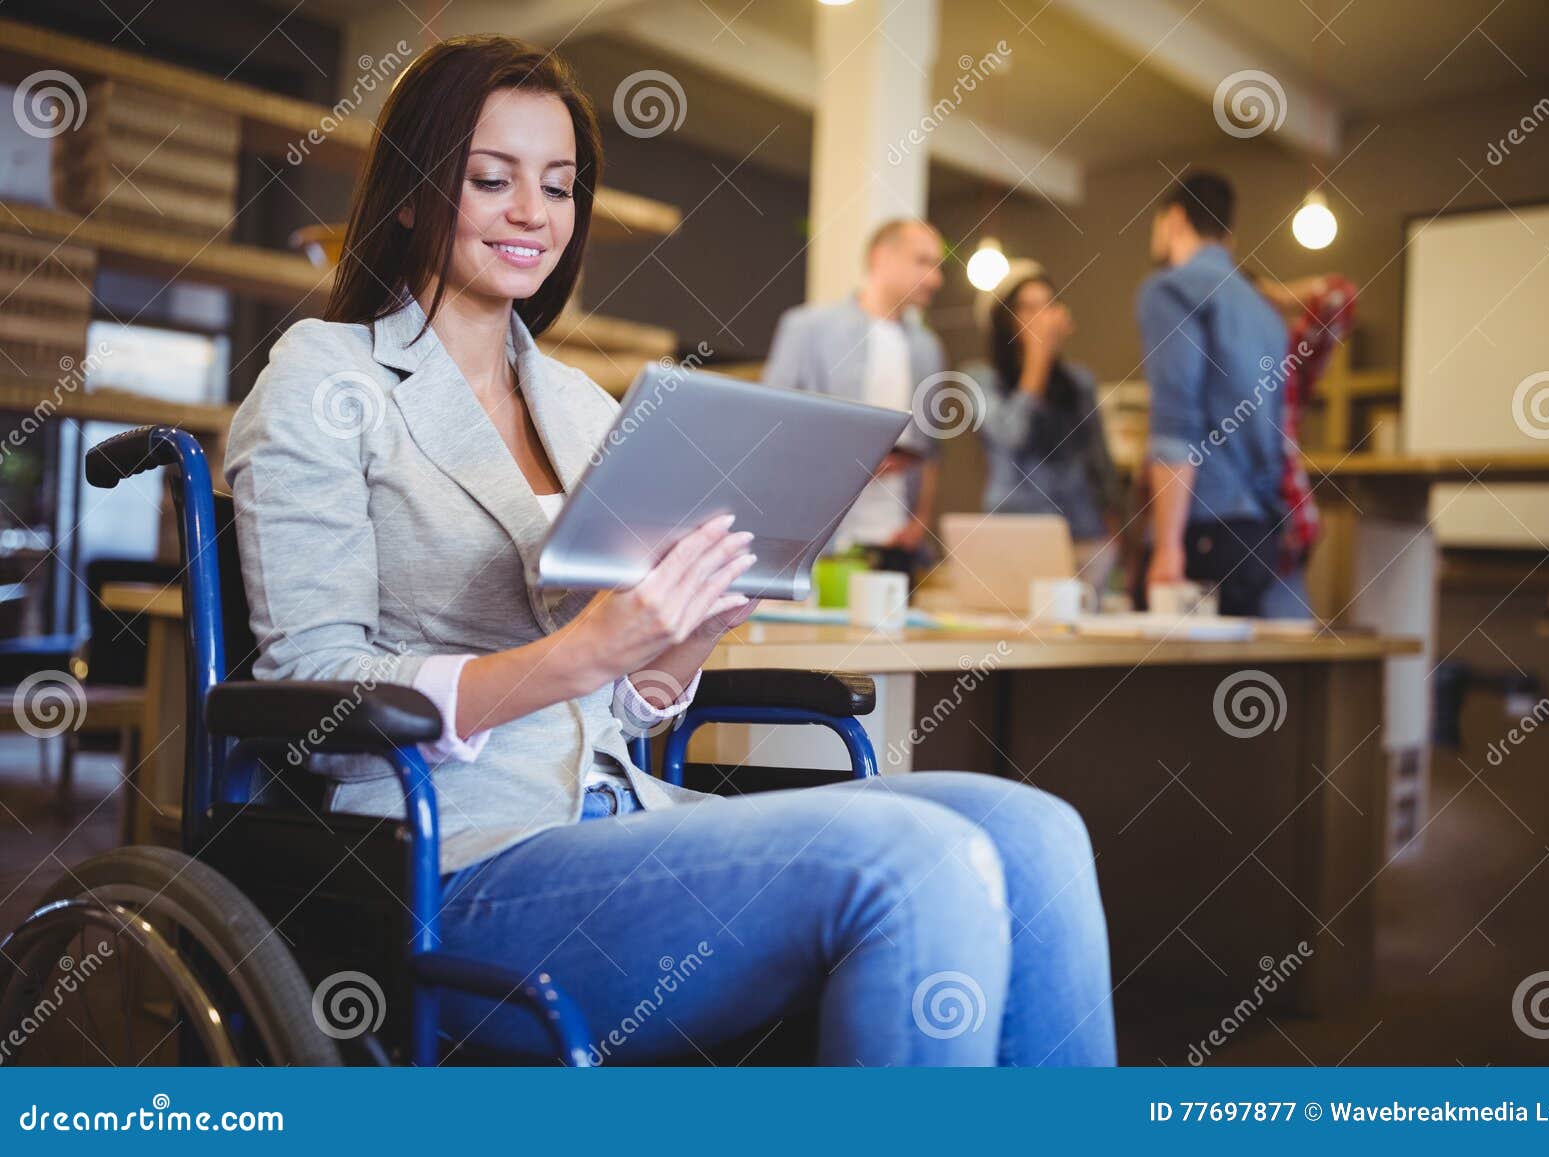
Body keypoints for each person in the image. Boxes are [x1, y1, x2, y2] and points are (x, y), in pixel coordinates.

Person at [223, 36, 1114, 1067]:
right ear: (415, 194)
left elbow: (626, 696)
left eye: (556, 186)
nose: (532, 213)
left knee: (1037, 834)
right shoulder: (327, 376)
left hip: (620, 813)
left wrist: (680, 640)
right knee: (913, 858)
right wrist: (584, 654)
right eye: (490, 179)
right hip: (453, 855)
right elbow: (314, 685)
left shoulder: (581, 401)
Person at [1137, 172, 1289, 617]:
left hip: (1201, 532)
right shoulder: (1265, 313)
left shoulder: (1170, 289)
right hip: (1257, 534)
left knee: (1159, 685)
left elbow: (1175, 424)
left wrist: (1167, 547)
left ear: (1175, 219)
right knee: (1233, 685)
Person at [764, 219, 947, 570]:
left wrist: (919, 519)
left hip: (895, 544)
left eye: (938, 266)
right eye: (923, 262)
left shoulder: (929, 348)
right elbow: (772, 427)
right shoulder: (807, 328)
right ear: (881, 258)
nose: (936, 279)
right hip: (817, 540)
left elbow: (932, 449)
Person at [965, 260, 1122, 592]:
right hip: (1014, 536)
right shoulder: (979, 379)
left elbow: (1099, 460)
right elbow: (1012, 435)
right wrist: (1037, 359)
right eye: (1029, 308)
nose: (1043, 318)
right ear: (1006, 321)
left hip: (1081, 537)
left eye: (1049, 305)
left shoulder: (1079, 382)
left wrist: (1116, 529)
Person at [1248, 274, 1358, 620]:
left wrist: (1274, 294)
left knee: (1286, 661)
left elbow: (1338, 297)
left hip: (1281, 539)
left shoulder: (1284, 360)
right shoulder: (1196, 366)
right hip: (1214, 541)